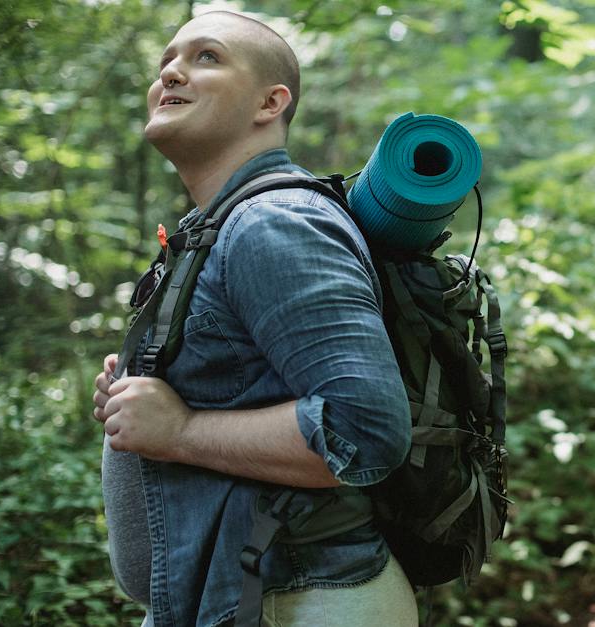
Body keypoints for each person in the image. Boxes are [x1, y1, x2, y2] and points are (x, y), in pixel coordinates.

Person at [90, 11, 418, 626]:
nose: (171, 71)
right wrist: (143, 397)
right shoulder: (218, 225)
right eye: (167, 59)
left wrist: (180, 431)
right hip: (240, 596)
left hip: (298, 600)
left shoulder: (274, 223)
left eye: (207, 57)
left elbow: (364, 430)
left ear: (271, 102)